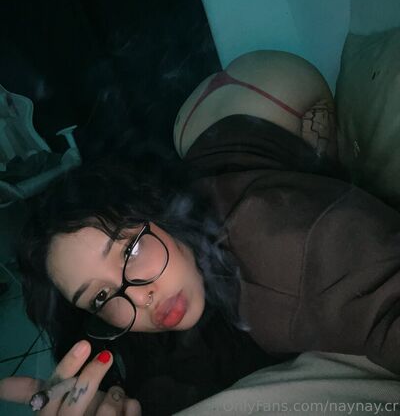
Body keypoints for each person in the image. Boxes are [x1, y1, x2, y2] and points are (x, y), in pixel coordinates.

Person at [2, 50, 400, 415]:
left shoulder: (281, 238)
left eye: (130, 251)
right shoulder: (134, 331)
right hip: (194, 144)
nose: (139, 297)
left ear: (157, 213)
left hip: (263, 93)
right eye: (100, 296)